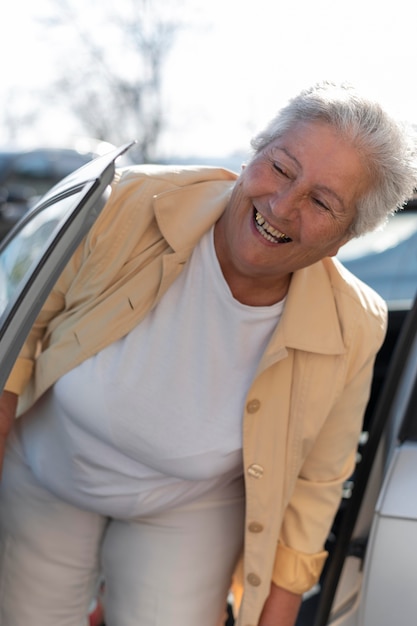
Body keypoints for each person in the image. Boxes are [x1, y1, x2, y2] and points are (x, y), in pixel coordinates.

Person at [0, 81, 416, 626]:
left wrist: (276, 617)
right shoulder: (126, 203)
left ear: (347, 238)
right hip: (47, 466)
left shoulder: (355, 322)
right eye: (281, 168)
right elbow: (16, 344)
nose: (283, 205)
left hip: (188, 503)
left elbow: (317, 481)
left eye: (321, 201)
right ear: (253, 155)